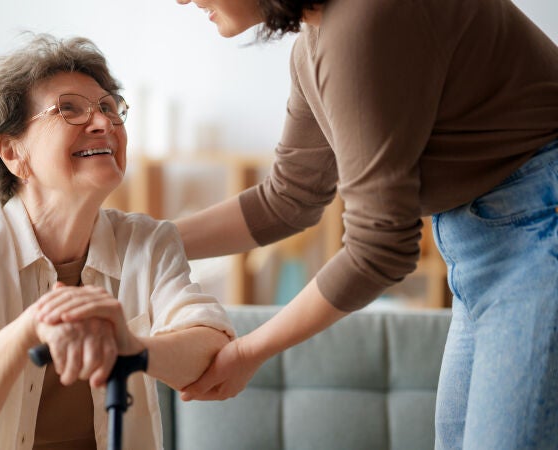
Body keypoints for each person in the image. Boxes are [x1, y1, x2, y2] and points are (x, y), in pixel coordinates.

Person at [167, 0, 558, 448]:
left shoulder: (360, 22)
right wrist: (144, 240)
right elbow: (289, 198)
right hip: (489, 250)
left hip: (540, 233)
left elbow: (379, 249)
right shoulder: (317, 42)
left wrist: (248, 351)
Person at [0, 33, 234, 450]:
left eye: (109, 108)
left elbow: (214, 351)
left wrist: (130, 348)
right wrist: (32, 327)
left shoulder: (148, 243)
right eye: (70, 109)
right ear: (13, 153)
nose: (104, 123)